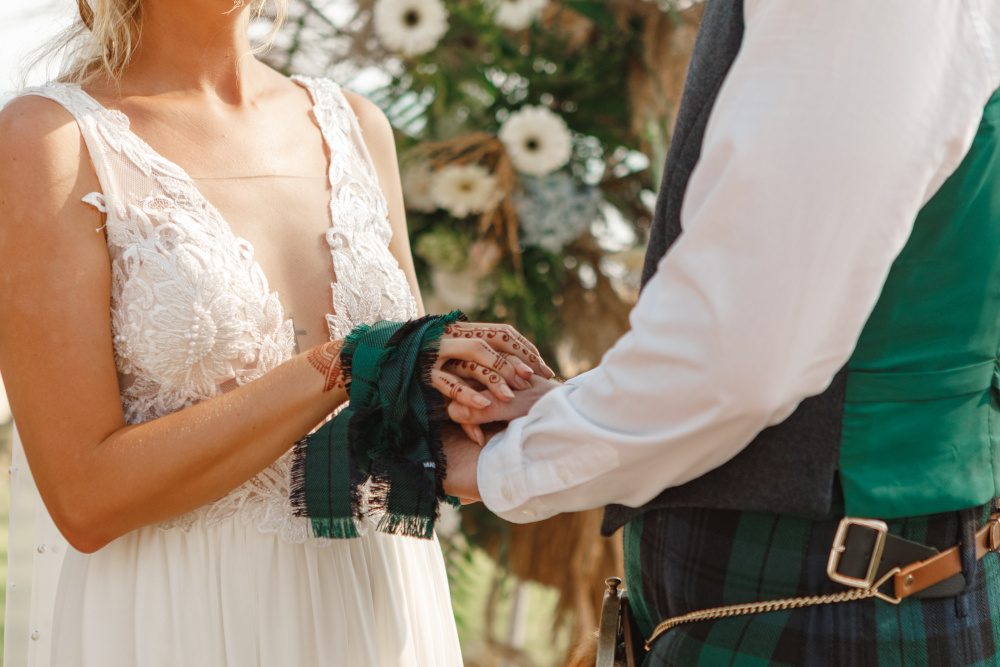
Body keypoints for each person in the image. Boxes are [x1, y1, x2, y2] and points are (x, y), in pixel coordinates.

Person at [441, 1, 1000, 665]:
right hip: (807, 592)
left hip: (837, 597)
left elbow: (741, 363)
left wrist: (499, 466)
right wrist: (564, 404)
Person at [0, 1, 553, 665]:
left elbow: (396, 457)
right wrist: (344, 363)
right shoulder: (51, 139)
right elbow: (83, 497)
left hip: (376, 611)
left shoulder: (355, 126)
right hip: (186, 620)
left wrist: (524, 418)